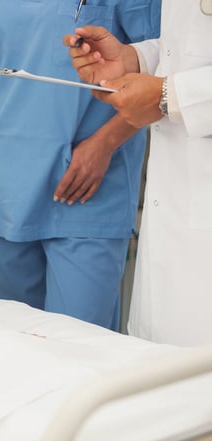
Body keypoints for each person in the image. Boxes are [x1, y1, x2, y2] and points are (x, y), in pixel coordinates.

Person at [0, 1, 162, 330]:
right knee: (12, 344)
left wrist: (105, 144)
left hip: (86, 186)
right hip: (4, 178)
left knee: (80, 350)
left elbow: (158, 70)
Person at [64, 1, 212, 346]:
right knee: (159, 377)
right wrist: (133, 59)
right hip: (175, 213)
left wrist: (169, 95)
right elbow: (187, 46)